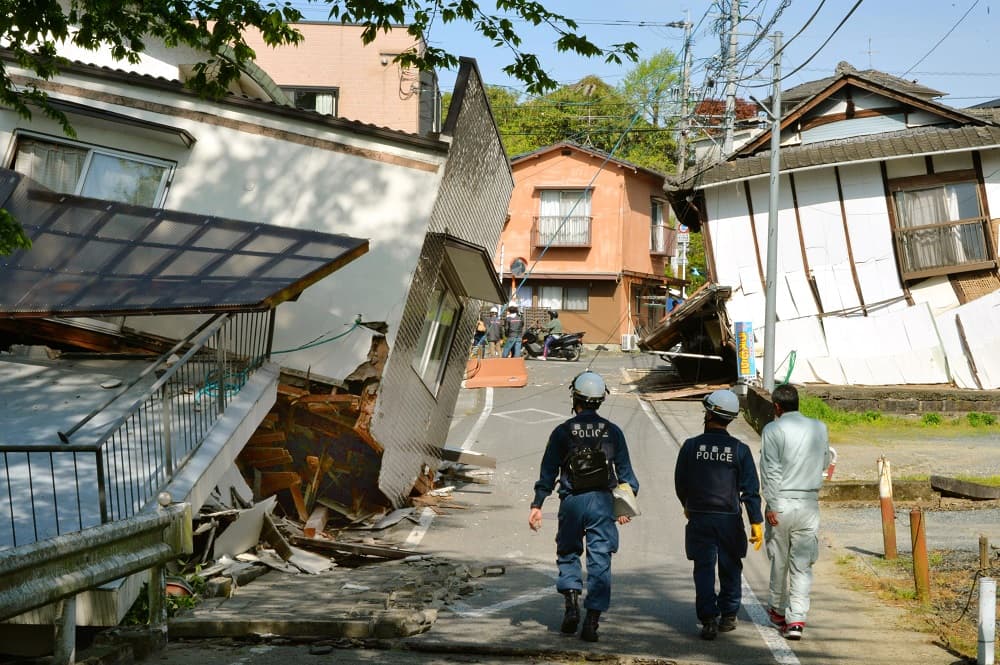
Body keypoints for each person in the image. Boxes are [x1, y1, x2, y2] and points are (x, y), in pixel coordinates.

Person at [528, 371, 638, 643]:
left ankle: (571, 606)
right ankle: (592, 621)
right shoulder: (613, 432)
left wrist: (537, 504)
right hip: (602, 502)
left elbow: (547, 471)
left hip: (572, 502)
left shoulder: (562, 432)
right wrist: (622, 508)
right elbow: (627, 477)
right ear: (600, 400)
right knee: (600, 559)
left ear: (575, 397)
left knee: (568, 552)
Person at [674, 389, 763, 641]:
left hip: (699, 516)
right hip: (729, 517)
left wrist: (688, 505)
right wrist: (756, 521)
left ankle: (708, 619)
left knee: (703, 568)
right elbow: (750, 490)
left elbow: (681, 482)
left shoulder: (691, 446)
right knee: (730, 567)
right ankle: (728, 615)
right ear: (732, 418)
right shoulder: (740, 449)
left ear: (708, 413)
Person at [760, 383, 831, 641]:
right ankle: (797, 619)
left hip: (782, 503)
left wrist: (772, 504)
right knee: (802, 564)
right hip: (809, 502)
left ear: (777, 407)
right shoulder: (819, 428)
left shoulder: (773, 429)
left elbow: (770, 470)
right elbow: (825, 460)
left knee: (779, 560)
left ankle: (778, 611)